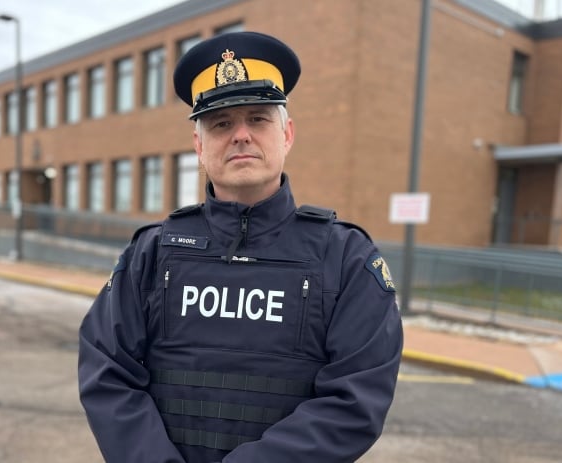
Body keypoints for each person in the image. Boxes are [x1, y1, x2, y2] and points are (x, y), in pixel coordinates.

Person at [78, 31, 403, 463]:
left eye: (258, 118)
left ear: (286, 134)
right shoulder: (151, 254)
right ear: (199, 145)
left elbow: (355, 399)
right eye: (222, 123)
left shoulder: (346, 258)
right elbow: (108, 373)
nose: (241, 135)